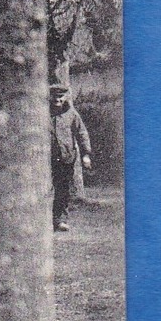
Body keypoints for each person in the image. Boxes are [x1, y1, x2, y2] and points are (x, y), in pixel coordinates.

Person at [50, 83, 93, 232]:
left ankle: (60, 220)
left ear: (65, 97)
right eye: (55, 96)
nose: (57, 100)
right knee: (46, 190)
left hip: (66, 158)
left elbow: (82, 133)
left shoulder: (71, 114)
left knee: (63, 190)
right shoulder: (42, 112)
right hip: (46, 159)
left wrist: (86, 154)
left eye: (60, 97)